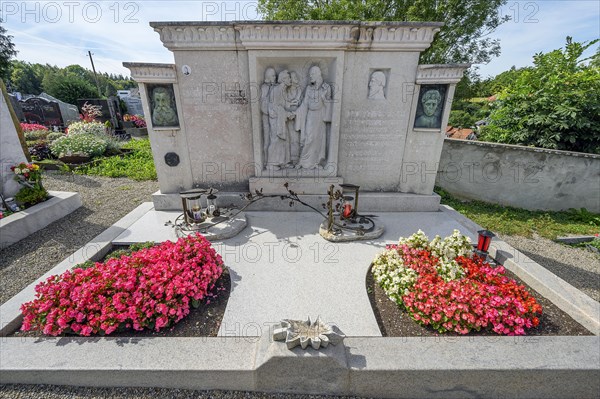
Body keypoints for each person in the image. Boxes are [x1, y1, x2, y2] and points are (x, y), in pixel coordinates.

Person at [294, 66, 332, 169]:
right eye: (310, 74)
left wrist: (324, 98)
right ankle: (302, 161)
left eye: (312, 74)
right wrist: (297, 112)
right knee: (309, 138)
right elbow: (305, 103)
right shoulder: (308, 88)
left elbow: (329, 104)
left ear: (318, 74)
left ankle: (316, 162)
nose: (310, 76)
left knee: (318, 139)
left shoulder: (325, 87)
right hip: (310, 116)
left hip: (320, 116)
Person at [265, 70, 294, 170]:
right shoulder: (276, 90)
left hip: (281, 120)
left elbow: (284, 105)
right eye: (288, 77)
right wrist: (286, 114)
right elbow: (274, 107)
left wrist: (289, 111)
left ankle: (284, 162)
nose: (290, 79)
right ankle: (271, 164)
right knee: (275, 140)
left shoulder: (283, 90)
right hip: (275, 120)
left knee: (285, 140)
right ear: (283, 79)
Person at [285, 71, 302, 167]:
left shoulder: (299, 90)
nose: (295, 78)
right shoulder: (286, 91)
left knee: (296, 138)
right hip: (288, 118)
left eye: (296, 76)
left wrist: (297, 111)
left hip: (298, 117)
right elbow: (283, 103)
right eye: (293, 77)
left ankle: (296, 159)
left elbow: (303, 104)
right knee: (289, 138)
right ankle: (289, 159)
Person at [260, 68, 276, 165]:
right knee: (267, 140)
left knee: (275, 140)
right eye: (273, 76)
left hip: (274, 117)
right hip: (266, 117)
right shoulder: (264, 87)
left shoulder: (275, 87)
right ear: (268, 77)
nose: (275, 77)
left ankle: (274, 161)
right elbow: (263, 104)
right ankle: (266, 162)